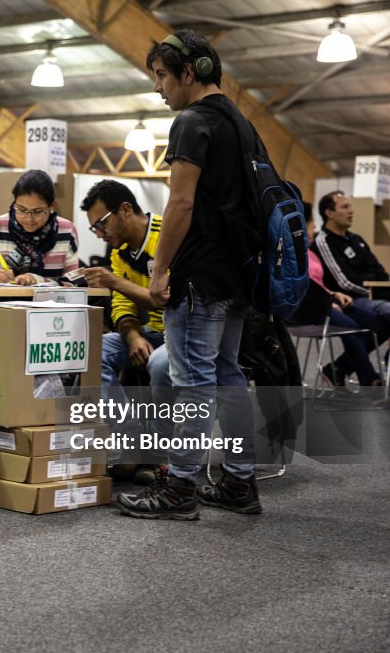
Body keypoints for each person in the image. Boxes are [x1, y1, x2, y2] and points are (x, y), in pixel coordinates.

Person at [116, 30, 261, 521]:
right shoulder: (243, 123)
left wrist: (159, 271)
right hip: (237, 274)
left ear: (189, 72)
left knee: (193, 380)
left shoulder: (192, 122)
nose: (158, 88)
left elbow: (180, 203)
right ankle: (240, 482)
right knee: (228, 375)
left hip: (198, 274)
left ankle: (180, 488)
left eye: (161, 76)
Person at [79, 178, 170, 485]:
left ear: (126, 210)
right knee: (94, 353)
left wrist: (114, 282)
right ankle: (132, 442)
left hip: (183, 332)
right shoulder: (120, 253)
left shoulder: (167, 236)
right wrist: (132, 335)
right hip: (152, 331)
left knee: (160, 364)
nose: (100, 234)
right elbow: (122, 305)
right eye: (94, 228)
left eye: (102, 224)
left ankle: (158, 455)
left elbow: (167, 298)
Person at [301, 202, 385, 387]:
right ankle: (370, 379)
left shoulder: (310, 252)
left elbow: (318, 283)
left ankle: (337, 369)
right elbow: (303, 286)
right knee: (352, 327)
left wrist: (334, 294)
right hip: (307, 309)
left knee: (379, 323)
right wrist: (329, 299)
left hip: (325, 302)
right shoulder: (296, 253)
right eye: (311, 223)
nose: (314, 227)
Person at [0, 169, 80, 284]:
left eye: (37, 211)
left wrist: (38, 281)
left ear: (52, 205)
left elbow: (73, 284)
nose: (29, 219)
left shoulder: (66, 231)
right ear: (14, 202)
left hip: (47, 305)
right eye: (22, 210)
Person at [312, 191, 390, 340]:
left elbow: (378, 270)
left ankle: (342, 364)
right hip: (348, 300)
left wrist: (383, 289)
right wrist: (374, 291)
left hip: (369, 296)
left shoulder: (356, 239)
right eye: (345, 207)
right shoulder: (323, 241)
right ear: (329, 213)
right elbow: (344, 282)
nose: (351, 211)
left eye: (350, 206)